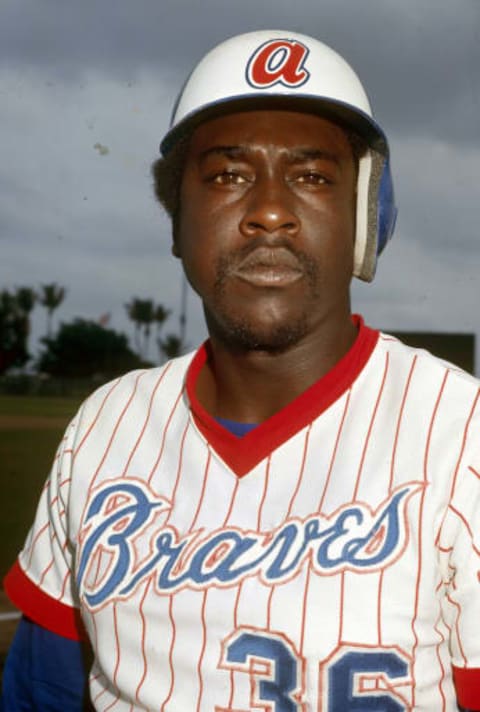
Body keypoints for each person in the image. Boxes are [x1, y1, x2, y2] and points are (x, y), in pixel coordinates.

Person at [2, 29, 479, 712]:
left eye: (312, 176)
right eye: (227, 175)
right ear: (177, 222)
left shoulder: (462, 433)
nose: (271, 212)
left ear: (365, 219)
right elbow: (41, 691)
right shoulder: (104, 427)